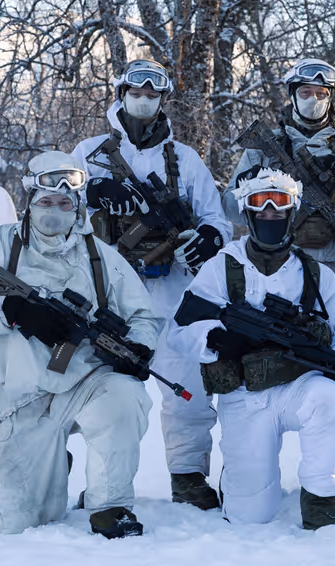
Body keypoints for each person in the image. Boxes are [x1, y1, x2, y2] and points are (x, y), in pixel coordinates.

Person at [0, 151, 161, 537]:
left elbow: (144, 316)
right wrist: (9, 311)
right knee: (25, 522)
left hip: (84, 384)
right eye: (45, 201)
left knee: (124, 397)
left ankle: (110, 506)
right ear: (29, 200)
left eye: (64, 201)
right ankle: (53, 461)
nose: (54, 209)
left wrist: (138, 348)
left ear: (77, 205)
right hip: (16, 397)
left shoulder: (100, 256)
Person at [71, 59, 233, 511]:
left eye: (152, 93)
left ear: (162, 100)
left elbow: (218, 219)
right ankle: (104, 479)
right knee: (108, 395)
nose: (143, 99)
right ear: (121, 93)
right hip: (109, 297)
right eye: (135, 91)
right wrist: (94, 194)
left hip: (172, 295)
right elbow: (58, 216)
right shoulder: (87, 153)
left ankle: (188, 476)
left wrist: (209, 238)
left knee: (188, 391)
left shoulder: (185, 159)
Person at [223, 58, 335, 501]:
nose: (313, 100)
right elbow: (229, 206)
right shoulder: (265, 146)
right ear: (291, 95)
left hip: (334, 268)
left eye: (321, 93)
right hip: (275, 266)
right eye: (306, 92)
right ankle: (252, 459)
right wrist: (259, 184)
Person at [172, 168, 335, 529]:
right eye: (260, 206)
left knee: (333, 398)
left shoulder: (315, 273)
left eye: (278, 207)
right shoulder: (221, 267)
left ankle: (321, 499)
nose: (269, 213)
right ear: (247, 213)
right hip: (245, 394)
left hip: (298, 386)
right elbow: (178, 329)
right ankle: (238, 474)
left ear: (292, 213)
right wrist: (214, 338)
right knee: (251, 516)